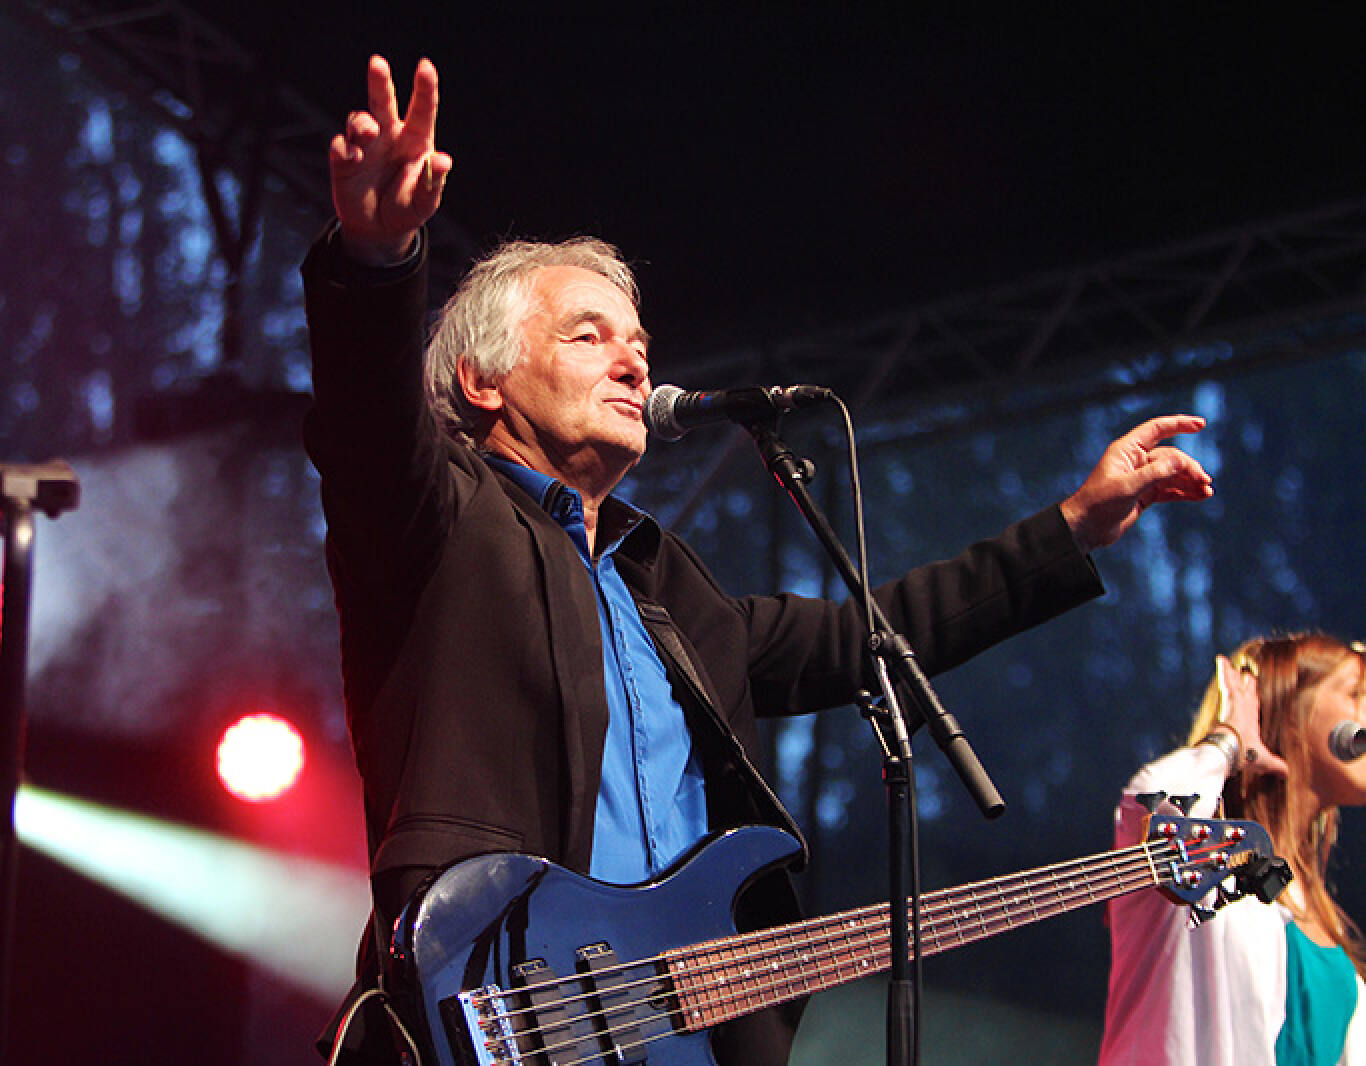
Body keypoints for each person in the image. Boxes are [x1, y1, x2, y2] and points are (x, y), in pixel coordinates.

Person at [302, 55, 1214, 1065]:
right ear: (482, 382)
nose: (634, 360)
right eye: (588, 336)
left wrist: (1073, 525)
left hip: (673, 1037)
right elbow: (364, 414)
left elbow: (879, 633)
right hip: (490, 1016)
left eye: (640, 341)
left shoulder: (665, 590)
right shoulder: (437, 520)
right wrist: (377, 257)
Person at [1099, 634, 1366, 1066]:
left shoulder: (1321, 916)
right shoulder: (1196, 871)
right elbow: (1154, 800)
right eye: (1355, 694)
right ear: (1287, 713)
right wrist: (1228, 742)